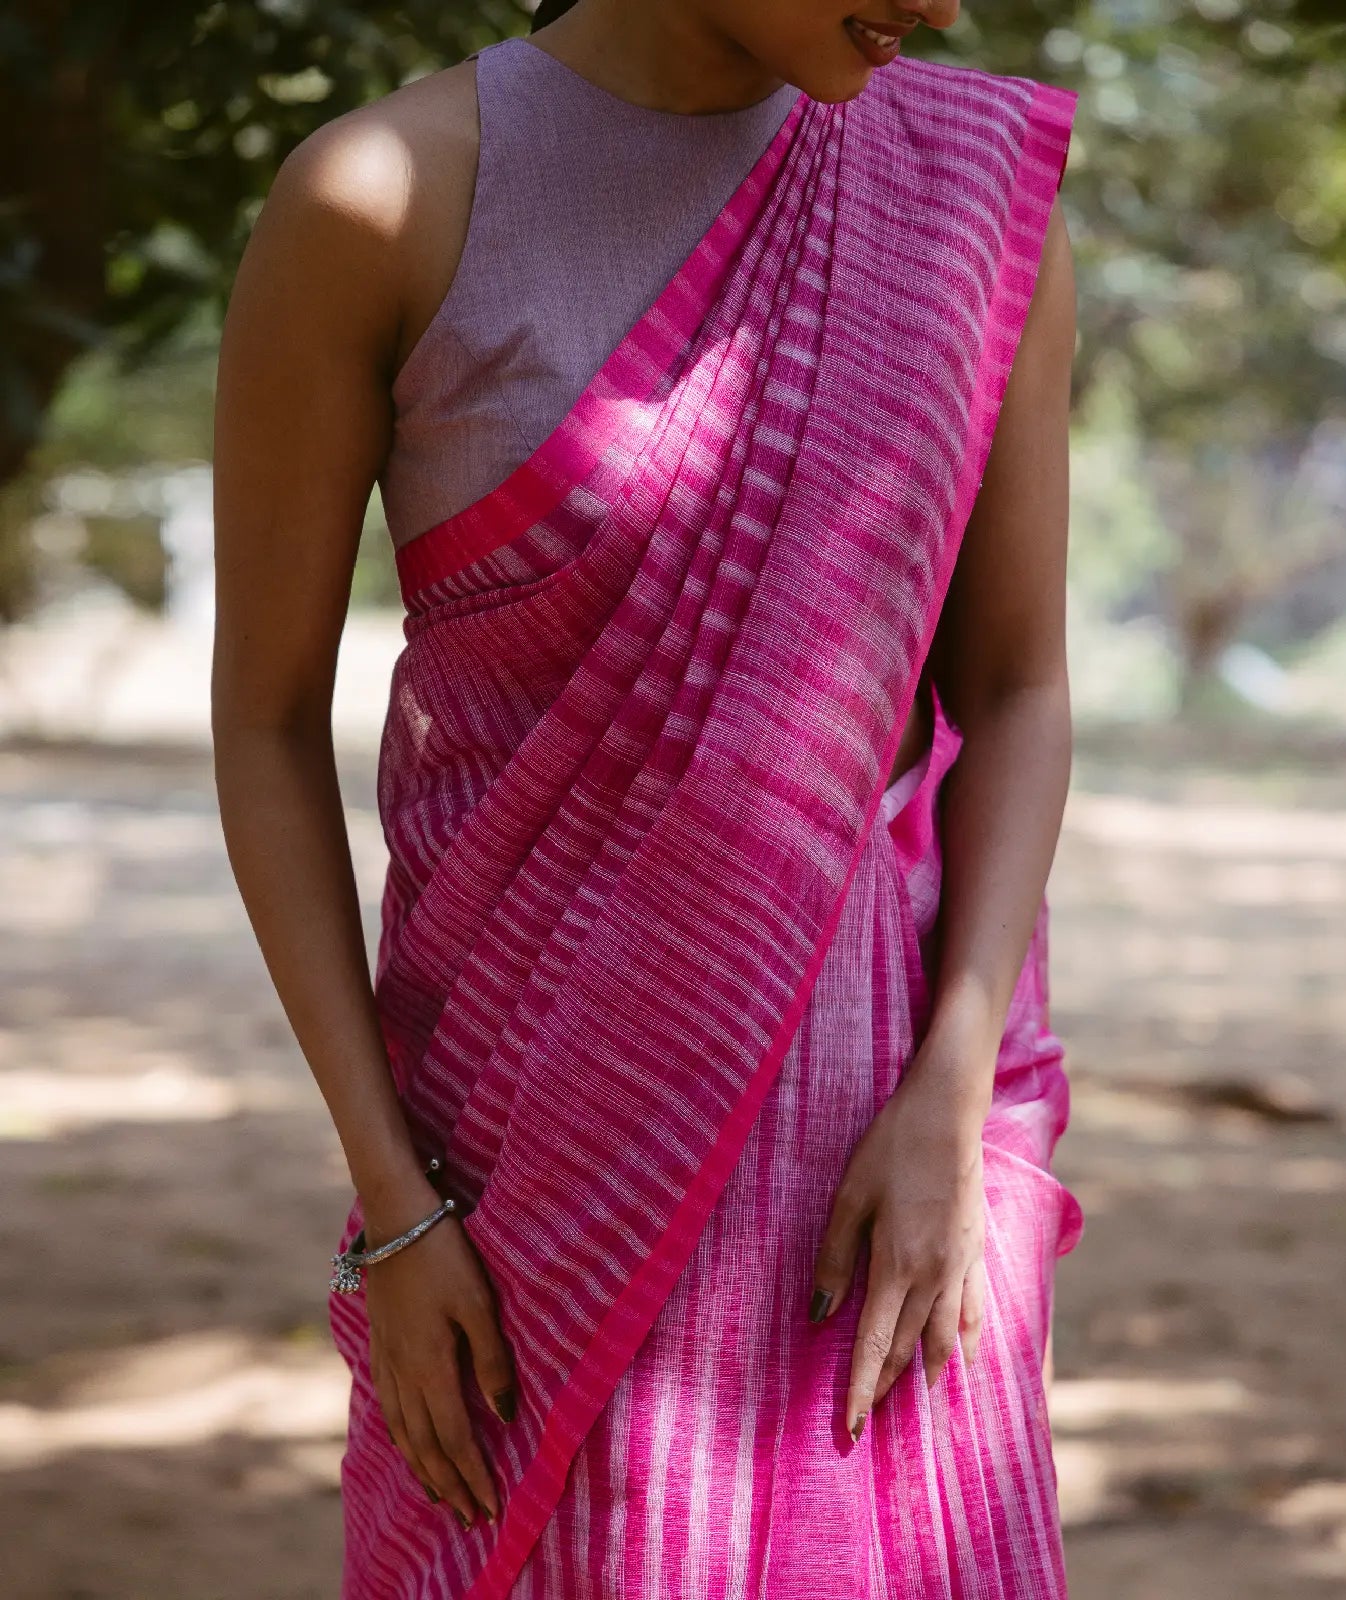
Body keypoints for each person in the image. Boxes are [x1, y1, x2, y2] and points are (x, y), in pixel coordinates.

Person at [211, 0, 1085, 1594]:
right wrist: (396, 1210)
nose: (949, 8)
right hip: (516, 1172)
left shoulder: (964, 194)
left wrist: (950, 1104)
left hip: (892, 1156)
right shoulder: (383, 200)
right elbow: (266, 723)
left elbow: (1016, 683)